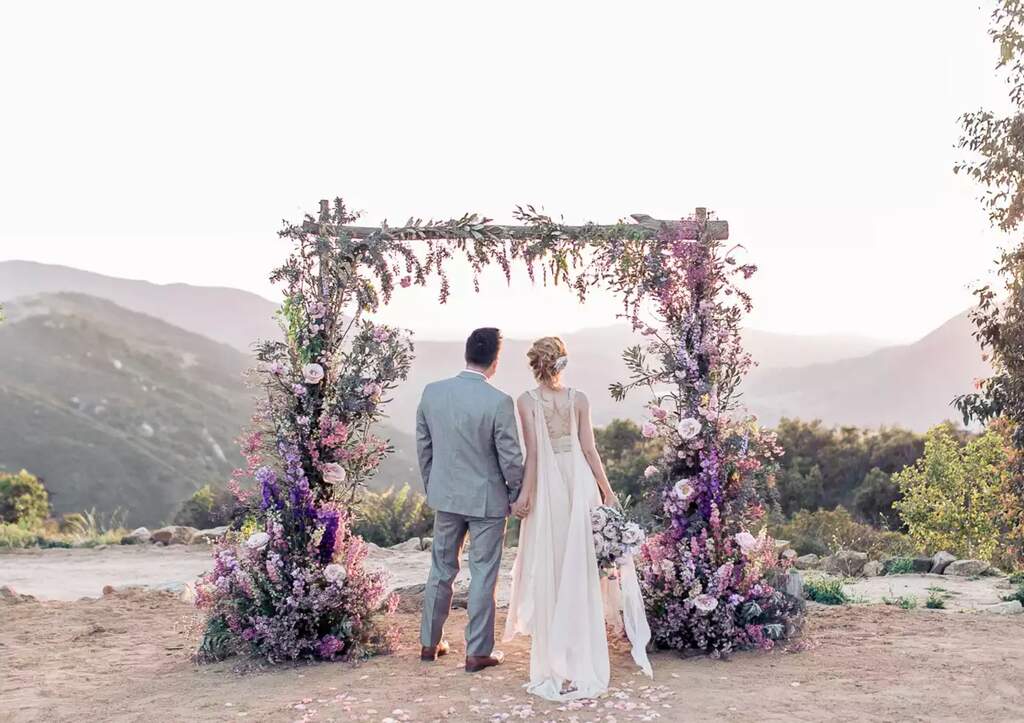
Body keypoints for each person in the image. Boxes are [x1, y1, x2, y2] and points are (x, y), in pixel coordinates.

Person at [504, 336, 652, 701]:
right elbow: (589, 449)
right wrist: (607, 490)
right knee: (581, 563)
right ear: (561, 362)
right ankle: (577, 646)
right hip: (580, 481)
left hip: (549, 485)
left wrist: (525, 495)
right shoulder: (579, 399)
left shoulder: (525, 401)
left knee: (553, 562)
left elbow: (534, 454)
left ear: (535, 364)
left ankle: (556, 651)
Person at [416, 327, 524, 673]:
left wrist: (435, 485)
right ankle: (477, 652)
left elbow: (425, 447)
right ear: (495, 360)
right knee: (483, 575)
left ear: (466, 353)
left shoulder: (432, 393)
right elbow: (510, 459)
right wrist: (515, 493)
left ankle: (429, 644)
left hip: (446, 496)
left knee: (441, 570)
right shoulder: (499, 401)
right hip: (487, 503)